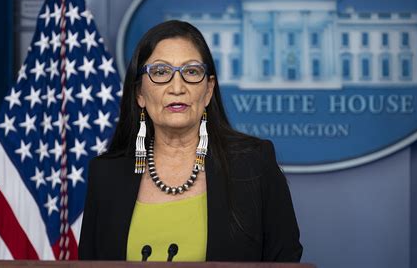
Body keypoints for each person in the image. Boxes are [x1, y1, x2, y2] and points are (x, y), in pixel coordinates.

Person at [78, 20, 303, 262]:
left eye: (191, 72)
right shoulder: (106, 174)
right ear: (140, 94)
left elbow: (285, 261)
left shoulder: (254, 163)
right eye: (161, 72)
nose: (177, 87)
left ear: (208, 91)